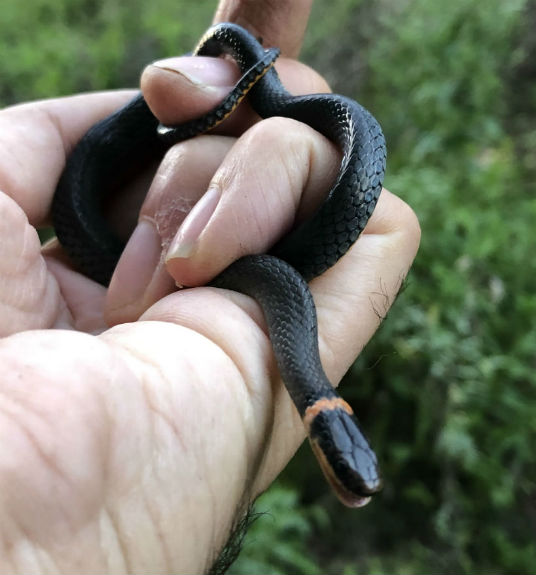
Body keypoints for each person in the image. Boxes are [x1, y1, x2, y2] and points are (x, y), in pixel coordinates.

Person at [0, 0, 420, 572]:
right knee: (249, 132)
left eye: (348, 477)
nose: (351, 487)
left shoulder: (283, 327)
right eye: (347, 472)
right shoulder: (293, 330)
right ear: (327, 434)